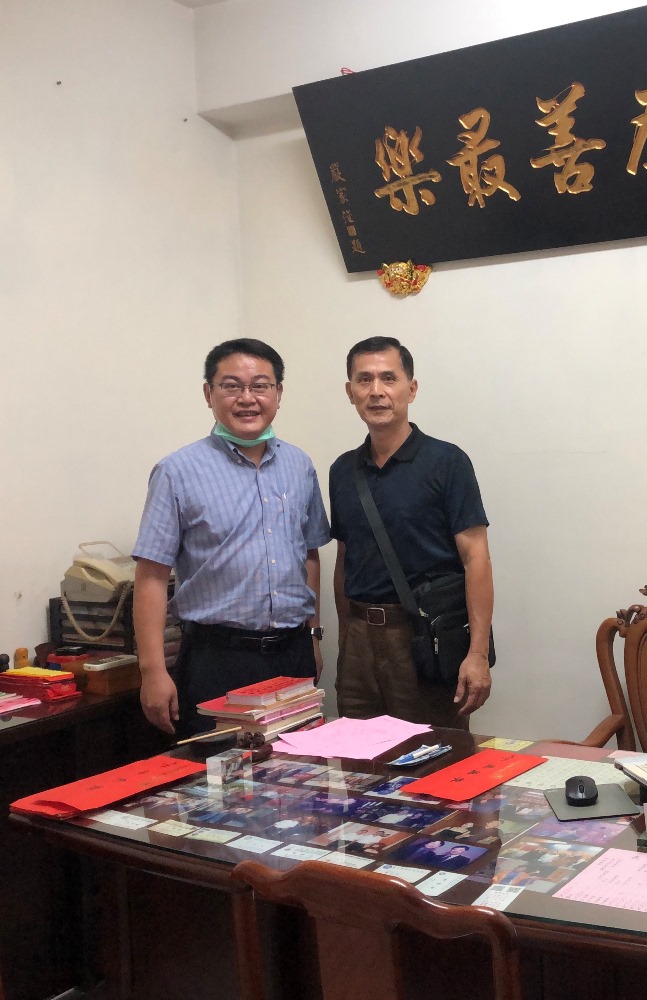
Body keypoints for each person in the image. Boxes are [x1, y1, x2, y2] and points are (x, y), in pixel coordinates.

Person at [132, 338, 330, 737]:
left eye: (260, 386)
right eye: (231, 386)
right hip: (217, 658)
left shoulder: (299, 465)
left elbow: (308, 554)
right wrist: (152, 670)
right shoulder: (177, 471)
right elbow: (151, 575)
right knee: (222, 770)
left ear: (278, 394)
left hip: (292, 654)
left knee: (301, 766)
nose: (247, 398)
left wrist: (313, 636)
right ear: (209, 394)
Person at [330, 336, 493, 728]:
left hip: (424, 639)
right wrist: (344, 640)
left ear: (412, 388)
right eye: (364, 380)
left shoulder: (446, 462)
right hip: (359, 644)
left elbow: (476, 559)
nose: (376, 391)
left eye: (389, 378)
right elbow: (345, 558)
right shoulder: (342, 470)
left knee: (434, 756)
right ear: (350, 392)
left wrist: (477, 653)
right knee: (358, 757)